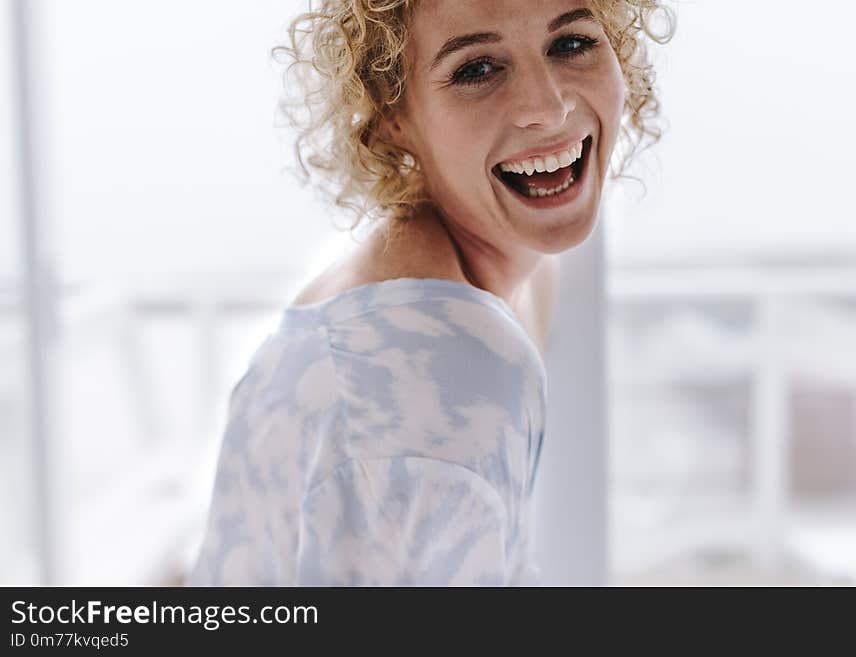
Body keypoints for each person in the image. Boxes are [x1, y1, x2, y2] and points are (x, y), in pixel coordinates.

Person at [186, 0, 674, 586]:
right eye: (477, 69)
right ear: (392, 113)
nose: (548, 108)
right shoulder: (442, 376)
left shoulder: (475, 273)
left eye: (571, 44)